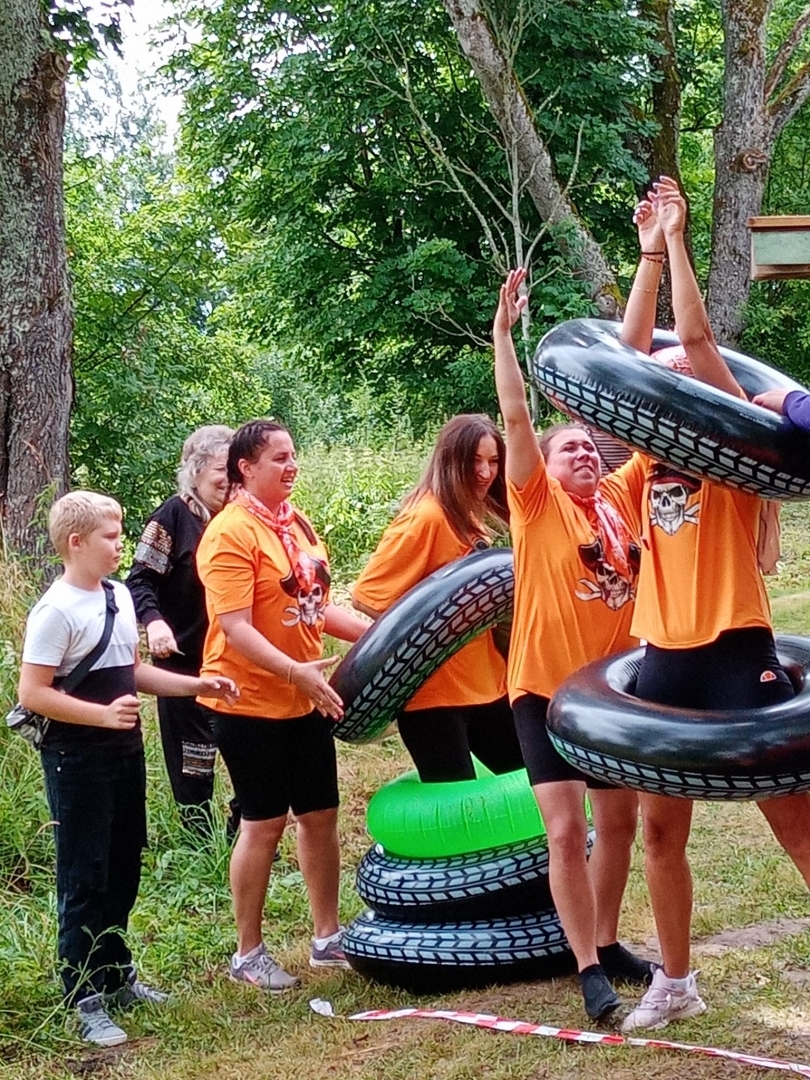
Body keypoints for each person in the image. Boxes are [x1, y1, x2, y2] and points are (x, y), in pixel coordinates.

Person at [617, 177, 810, 1032]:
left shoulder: (737, 458)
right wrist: (647, 255)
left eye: (677, 385)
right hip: (662, 655)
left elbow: (691, 342)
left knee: (797, 828)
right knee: (662, 836)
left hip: (738, 648)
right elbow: (625, 362)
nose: (663, 392)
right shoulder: (634, 474)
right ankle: (678, 979)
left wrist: (682, 240)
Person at [492, 270, 656, 1022]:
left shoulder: (623, 496)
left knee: (619, 824)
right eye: (571, 452)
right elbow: (519, 418)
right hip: (545, 692)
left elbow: (643, 390)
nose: (584, 456)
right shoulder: (536, 504)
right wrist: (504, 337)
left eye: (592, 448)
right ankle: (587, 967)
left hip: (613, 696)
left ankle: (609, 937)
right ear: (546, 470)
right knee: (566, 830)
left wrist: (651, 262)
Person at [18, 491, 238, 1048]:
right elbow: (34, 693)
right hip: (76, 760)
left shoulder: (117, 596)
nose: (121, 547)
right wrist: (100, 715)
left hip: (124, 755)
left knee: (123, 865)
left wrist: (195, 684)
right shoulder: (55, 610)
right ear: (76, 543)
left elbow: (133, 672)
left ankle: (117, 975)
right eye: (111, 538)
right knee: (83, 876)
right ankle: (82, 994)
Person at [195, 419, 368, 991]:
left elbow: (317, 608)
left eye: (293, 456)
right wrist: (296, 670)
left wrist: (375, 633)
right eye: (278, 458)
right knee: (263, 821)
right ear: (246, 467)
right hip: (246, 701)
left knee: (319, 815)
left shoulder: (296, 523)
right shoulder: (229, 534)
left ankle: (327, 937)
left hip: (305, 696)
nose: (291, 466)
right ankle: (249, 953)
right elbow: (236, 628)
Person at [351, 414, 524, 782]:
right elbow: (369, 596)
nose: (485, 472)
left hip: (489, 686)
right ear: (450, 461)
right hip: (434, 699)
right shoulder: (426, 517)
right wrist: (434, 639)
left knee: (530, 783)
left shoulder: (467, 517)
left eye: (493, 461)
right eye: (474, 461)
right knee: (457, 810)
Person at [127, 424, 237, 836]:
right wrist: (154, 622)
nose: (228, 480)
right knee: (195, 757)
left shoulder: (242, 520)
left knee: (249, 748)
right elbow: (139, 579)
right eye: (219, 470)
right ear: (195, 471)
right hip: (183, 662)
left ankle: (244, 829)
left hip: (235, 658)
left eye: (234, 469)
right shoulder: (172, 517)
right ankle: (199, 843)